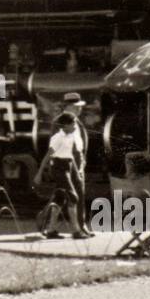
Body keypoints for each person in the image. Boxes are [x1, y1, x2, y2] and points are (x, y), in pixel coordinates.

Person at [33, 113, 89, 240]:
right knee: (73, 197)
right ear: (65, 125)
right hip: (59, 167)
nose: (75, 126)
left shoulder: (70, 135)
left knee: (60, 198)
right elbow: (48, 156)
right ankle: (76, 231)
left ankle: (51, 230)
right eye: (73, 123)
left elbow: (70, 154)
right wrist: (39, 173)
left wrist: (77, 171)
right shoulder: (57, 138)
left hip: (69, 164)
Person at [61, 91, 90, 229]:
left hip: (78, 162)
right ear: (69, 107)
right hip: (68, 162)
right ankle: (80, 226)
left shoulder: (76, 122)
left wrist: (82, 159)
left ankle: (49, 224)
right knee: (75, 194)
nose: (80, 109)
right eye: (77, 106)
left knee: (76, 194)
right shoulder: (61, 122)